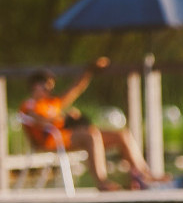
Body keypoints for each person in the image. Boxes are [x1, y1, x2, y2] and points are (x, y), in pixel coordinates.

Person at [20, 57, 156, 191]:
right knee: (91, 136)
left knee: (122, 135)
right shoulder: (29, 105)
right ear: (35, 86)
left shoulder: (52, 103)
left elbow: (75, 89)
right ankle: (102, 182)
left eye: (50, 87)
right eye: (45, 87)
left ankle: (143, 175)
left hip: (67, 136)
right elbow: (38, 120)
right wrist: (65, 118)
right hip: (51, 140)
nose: (48, 90)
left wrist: (89, 70)